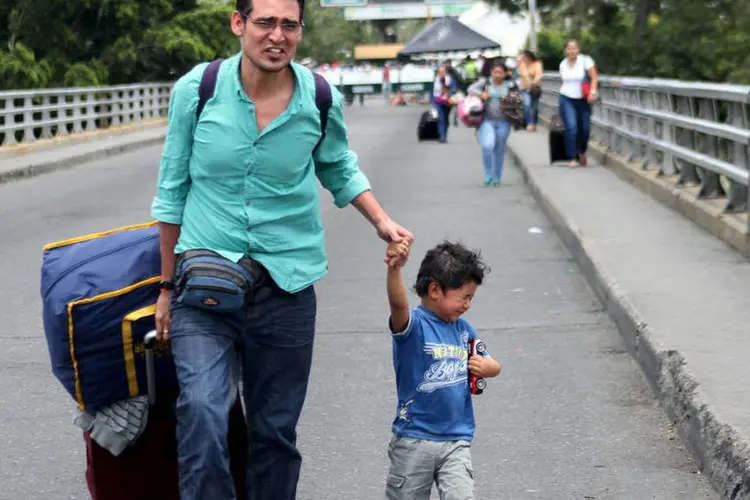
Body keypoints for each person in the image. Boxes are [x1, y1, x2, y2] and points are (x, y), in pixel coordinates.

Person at [149, 0, 414, 498]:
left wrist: (381, 220)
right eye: (265, 22)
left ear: (300, 31)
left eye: (289, 24)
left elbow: (337, 165)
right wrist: (165, 288)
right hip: (205, 283)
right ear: (238, 24)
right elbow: (171, 192)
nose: (277, 35)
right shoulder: (197, 91)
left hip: (286, 289)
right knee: (203, 415)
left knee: (274, 432)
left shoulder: (318, 97)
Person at [383, 240, 501, 500]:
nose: (468, 305)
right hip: (414, 439)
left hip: (456, 439)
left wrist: (488, 367)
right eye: (464, 297)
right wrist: (394, 270)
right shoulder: (414, 327)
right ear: (435, 290)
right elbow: (398, 304)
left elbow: (491, 363)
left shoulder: (463, 330)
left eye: (471, 298)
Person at [468, 61, 516, 186]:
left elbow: (519, 97)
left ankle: (496, 176)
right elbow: (470, 89)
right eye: (495, 72)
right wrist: (481, 94)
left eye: (500, 72)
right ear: (491, 72)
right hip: (487, 120)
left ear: (505, 73)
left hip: (504, 122)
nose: (497, 75)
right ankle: (488, 173)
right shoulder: (485, 82)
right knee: (487, 145)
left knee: (499, 150)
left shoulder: (510, 84)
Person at [558, 39, 599, 167]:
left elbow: (594, 78)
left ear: (578, 49)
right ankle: (572, 157)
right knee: (571, 127)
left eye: (574, 48)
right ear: (565, 50)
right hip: (566, 98)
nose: (571, 51)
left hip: (583, 99)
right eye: (569, 48)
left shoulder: (586, 60)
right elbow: (563, 81)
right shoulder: (563, 64)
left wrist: (592, 92)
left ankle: (581, 151)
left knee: (585, 129)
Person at [517, 50, 543, 132]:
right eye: (523, 57)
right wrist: (520, 61)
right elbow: (521, 73)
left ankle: (534, 123)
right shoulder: (522, 65)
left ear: (529, 56)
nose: (524, 58)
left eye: (525, 57)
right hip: (524, 89)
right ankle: (529, 124)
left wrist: (532, 82)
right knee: (526, 105)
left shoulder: (537, 64)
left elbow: (539, 75)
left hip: (535, 89)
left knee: (535, 108)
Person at [432, 67, 456, 143]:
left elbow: (454, 89)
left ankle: (444, 135)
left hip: (447, 102)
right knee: (440, 118)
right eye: (440, 72)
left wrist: (448, 94)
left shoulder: (450, 80)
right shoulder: (436, 80)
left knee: (445, 119)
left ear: (446, 72)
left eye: (443, 72)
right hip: (438, 101)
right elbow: (433, 91)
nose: (441, 73)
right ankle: (442, 137)